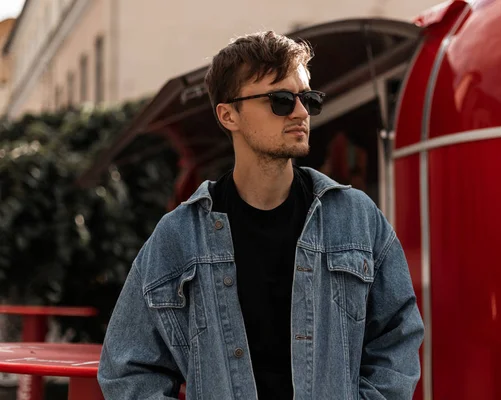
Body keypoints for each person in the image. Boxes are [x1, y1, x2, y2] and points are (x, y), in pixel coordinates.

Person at [97, 30, 424, 399]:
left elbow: (398, 335)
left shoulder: (356, 218)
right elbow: (127, 368)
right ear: (228, 114)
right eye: (281, 100)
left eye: (308, 99)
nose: (301, 112)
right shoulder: (180, 236)